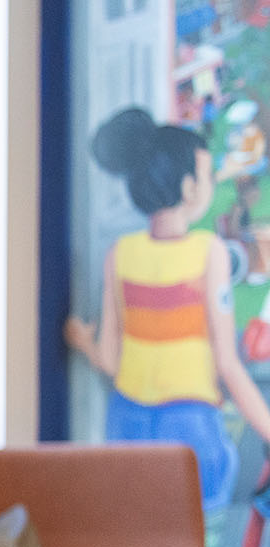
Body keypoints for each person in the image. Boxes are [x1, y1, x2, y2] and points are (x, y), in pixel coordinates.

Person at [67, 106, 270, 519]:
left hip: (126, 427)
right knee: (195, 545)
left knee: (141, 539)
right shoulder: (206, 253)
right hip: (189, 430)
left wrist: (81, 340)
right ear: (189, 186)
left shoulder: (120, 254)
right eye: (209, 175)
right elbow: (228, 367)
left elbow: (109, 359)